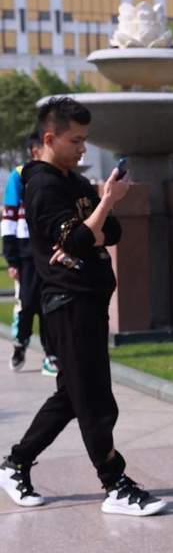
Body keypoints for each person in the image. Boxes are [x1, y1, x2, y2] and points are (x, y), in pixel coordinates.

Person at [0, 96, 166, 517]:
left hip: (89, 300)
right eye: (75, 140)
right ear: (49, 138)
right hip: (67, 302)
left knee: (72, 395)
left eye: (85, 139)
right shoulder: (42, 185)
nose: (82, 148)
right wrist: (103, 206)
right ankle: (114, 484)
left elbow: (111, 232)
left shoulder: (73, 181)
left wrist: (93, 223)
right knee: (94, 400)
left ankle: (15, 464)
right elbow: (77, 239)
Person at [2, 131, 58, 375]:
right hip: (25, 253)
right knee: (27, 303)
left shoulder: (55, 174)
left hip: (49, 251)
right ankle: (21, 342)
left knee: (49, 305)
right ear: (35, 150)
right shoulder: (19, 175)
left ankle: (51, 354)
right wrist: (11, 258)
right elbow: (9, 218)